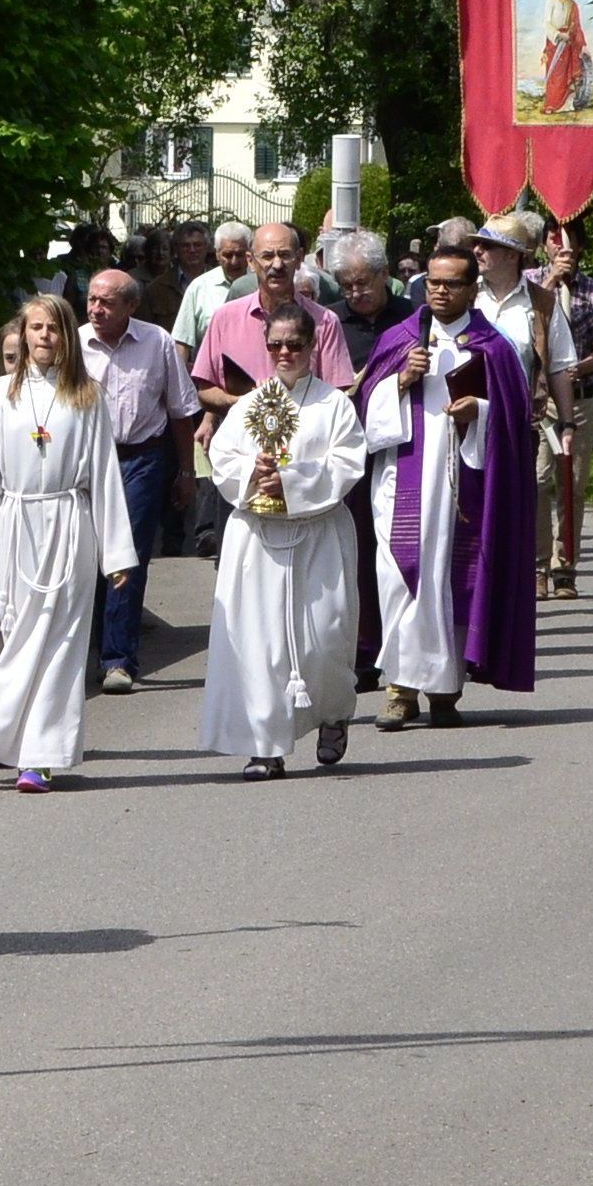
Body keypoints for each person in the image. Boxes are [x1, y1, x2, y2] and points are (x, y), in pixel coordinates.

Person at [0, 293, 138, 789]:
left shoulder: (87, 395)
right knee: (12, 636)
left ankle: (42, 756)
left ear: (67, 335)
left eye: (53, 327)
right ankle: (7, 738)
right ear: (23, 335)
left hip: (70, 526)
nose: (44, 336)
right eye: (35, 328)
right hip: (14, 527)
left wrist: (116, 552)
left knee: (62, 642)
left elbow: (104, 475)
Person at [363, 245, 539, 730]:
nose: (441, 291)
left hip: (467, 484)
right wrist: (399, 382)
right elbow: (365, 414)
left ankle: (444, 690)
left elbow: (514, 420)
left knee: (454, 583)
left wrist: (477, 414)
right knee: (402, 576)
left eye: (452, 283)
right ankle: (399, 690)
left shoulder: (494, 347)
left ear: (471, 288)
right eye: (434, 282)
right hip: (403, 481)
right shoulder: (401, 339)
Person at [196, 304, 367, 777]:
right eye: (276, 345)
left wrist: (290, 481)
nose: (285, 352)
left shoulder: (334, 406)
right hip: (259, 538)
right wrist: (254, 473)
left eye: (295, 344)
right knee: (261, 644)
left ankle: (334, 714)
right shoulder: (250, 405)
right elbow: (223, 457)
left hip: (318, 536)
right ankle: (265, 746)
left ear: (313, 347)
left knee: (324, 638)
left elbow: (348, 463)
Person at [191, 223, 358, 563]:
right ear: (252, 261)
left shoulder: (325, 322)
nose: (276, 264)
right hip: (248, 469)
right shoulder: (225, 318)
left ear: (300, 259)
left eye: (284, 255)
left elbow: (339, 393)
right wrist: (246, 408)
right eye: (267, 256)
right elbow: (203, 387)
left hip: (308, 474)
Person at [80, 265, 196, 692]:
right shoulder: (73, 345)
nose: (96, 309)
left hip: (141, 460)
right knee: (84, 557)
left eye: (107, 302)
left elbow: (181, 411)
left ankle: (118, 660)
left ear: (131, 305)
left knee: (126, 559)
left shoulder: (157, 342)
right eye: (92, 299)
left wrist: (186, 471)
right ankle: (86, 652)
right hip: (87, 463)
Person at [318, 227, 422, 688]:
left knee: (402, 554)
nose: (356, 293)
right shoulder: (330, 324)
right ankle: (363, 653)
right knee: (356, 553)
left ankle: (405, 648)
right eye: (347, 285)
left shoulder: (415, 319)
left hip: (407, 452)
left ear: (385, 275)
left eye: (363, 282)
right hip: (352, 453)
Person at [468, 212, 582, 597]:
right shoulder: (466, 294)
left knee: (520, 501)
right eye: (477, 244)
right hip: (465, 421)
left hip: (518, 423)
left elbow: (561, 367)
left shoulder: (542, 304)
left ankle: (521, 577)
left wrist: (567, 425)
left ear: (514, 255)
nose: (477, 251)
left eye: (488, 246)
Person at [536, 220, 593, 590]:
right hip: (539, 402)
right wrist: (552, 282)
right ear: (544, 246)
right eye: (554, 240)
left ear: (581, 247)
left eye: (568, 241)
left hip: (581, 400)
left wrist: (578, 369)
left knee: (571, 485)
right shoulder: (530, 285)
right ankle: (536, 565)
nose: (561, 247)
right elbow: (525, 321)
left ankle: (565, 566)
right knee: (536, 481)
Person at [167, 220, 252, 353]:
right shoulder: (199, 287)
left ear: (249, 254)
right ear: (217, 254)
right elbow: (182, 341)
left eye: (240, 254)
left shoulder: (260, 284)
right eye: (228, 255)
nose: (234, 261)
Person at [537, 0, 592, 113]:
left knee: (566, 73)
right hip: (555, 41)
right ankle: (551, 104)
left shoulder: (572, 4)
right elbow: (546, 23)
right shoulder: (551, 0)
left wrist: (583, 45)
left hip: (568, 42)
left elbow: (577, 26)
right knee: (554, 73)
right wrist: (558, 35)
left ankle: (566, 105)